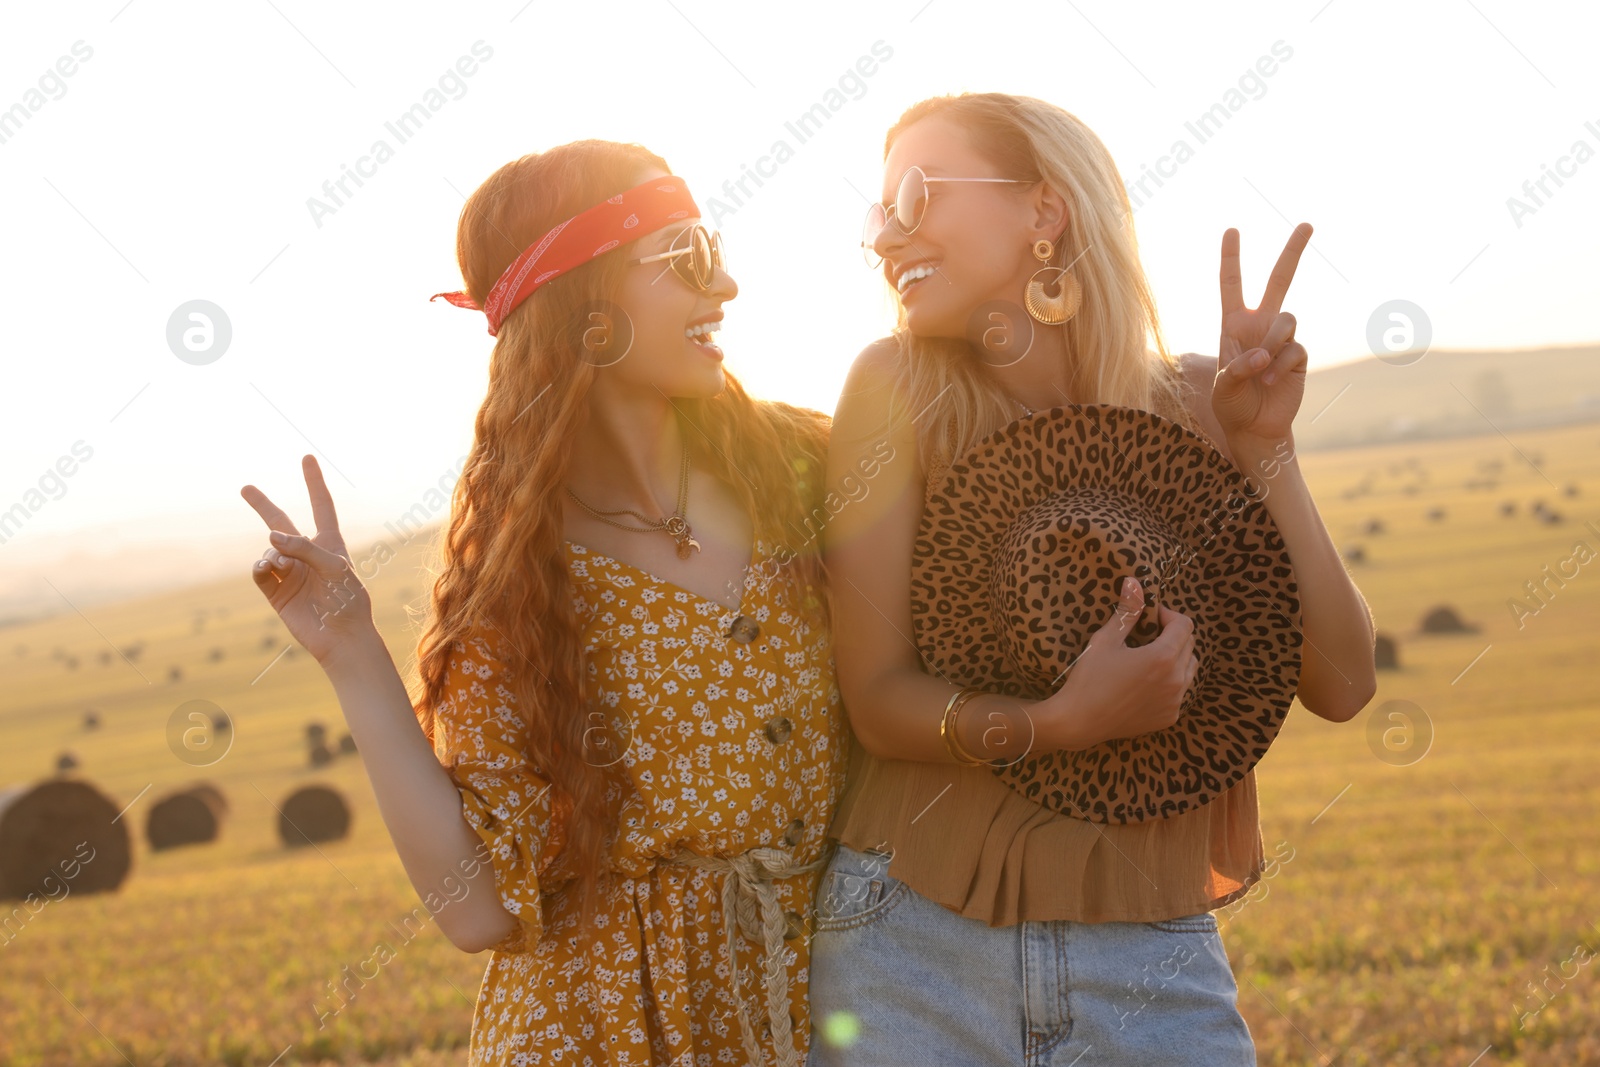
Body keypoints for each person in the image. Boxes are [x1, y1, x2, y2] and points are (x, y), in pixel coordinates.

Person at [242, 139, 850, 1067]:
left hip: (837, 1002)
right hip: (602, 1036)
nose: (724, 285)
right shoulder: (521, 579)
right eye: (685, 256)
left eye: (714, 246)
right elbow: (479, 907)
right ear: (587, 302)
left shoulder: (808, 467)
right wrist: (351, 652)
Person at [808, 92, 1378, 1065]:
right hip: (911, 940)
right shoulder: (895, 389)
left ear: (1043, 209)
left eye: (913, 195)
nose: (885, 237)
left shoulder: (1208, 401)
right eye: (876, 217)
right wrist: (1059, 723)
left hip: (1150, 955)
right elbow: (876, 697)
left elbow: (1341, 682)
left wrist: (1264, 450)